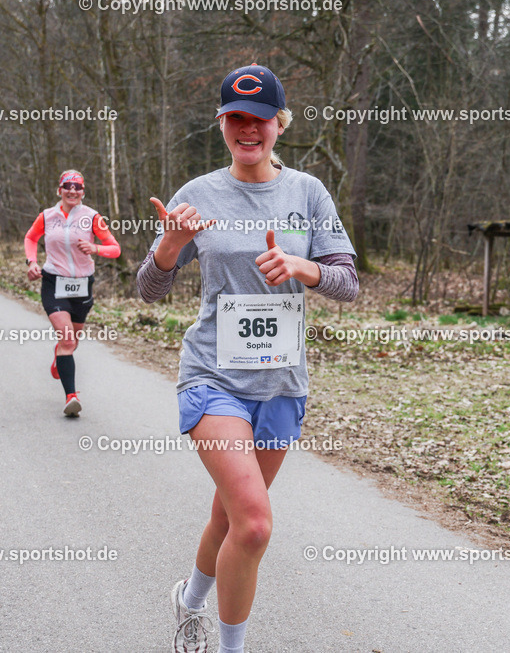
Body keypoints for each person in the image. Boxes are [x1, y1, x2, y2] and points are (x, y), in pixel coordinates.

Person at [136, 64, 358, 653]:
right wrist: (170, 246)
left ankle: (188, 601)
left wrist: (304, 267)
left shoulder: (308, 193)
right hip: (213, 378)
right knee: (255, 524)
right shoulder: (198, 194)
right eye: (235, 118)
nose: (248, 129)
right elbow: (148, 290)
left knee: (230, 517)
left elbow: (348, 283)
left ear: (279, 124)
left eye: (259, 119)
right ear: (221, 124)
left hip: (281, 384)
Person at [24, 170, 121, 416]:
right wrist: (31, 262)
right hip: (54, 282)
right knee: (68, 340)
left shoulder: (92, 217)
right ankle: (71, 398)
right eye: (67, 186)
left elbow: (115, 249)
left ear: (83, 192)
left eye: (77, 187)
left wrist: (95, 248)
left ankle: (59, 356)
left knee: (72, 341)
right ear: (60, 190)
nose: (72, 191)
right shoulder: (47, 216)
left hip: (82, 285)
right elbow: (31, 238)